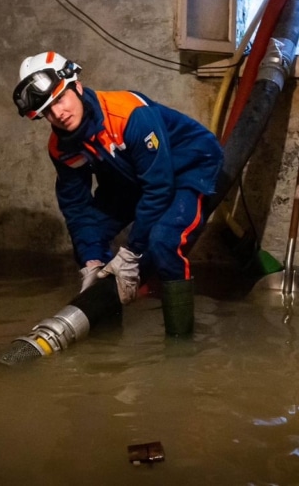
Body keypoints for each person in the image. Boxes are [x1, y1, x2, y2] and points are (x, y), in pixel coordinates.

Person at [13, 51, 223, 336]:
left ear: (76, 86)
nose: (58, 114)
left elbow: (159, 189)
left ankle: (180, 344)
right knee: (88, 236)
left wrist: (131, 253)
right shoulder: (62, 148)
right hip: (131, 178)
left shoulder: (129, 115)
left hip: (186, 166)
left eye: (60, 99)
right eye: (47, 111)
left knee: (164, 241)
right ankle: (105, 332)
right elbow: (76, 205)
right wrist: (91, 262)